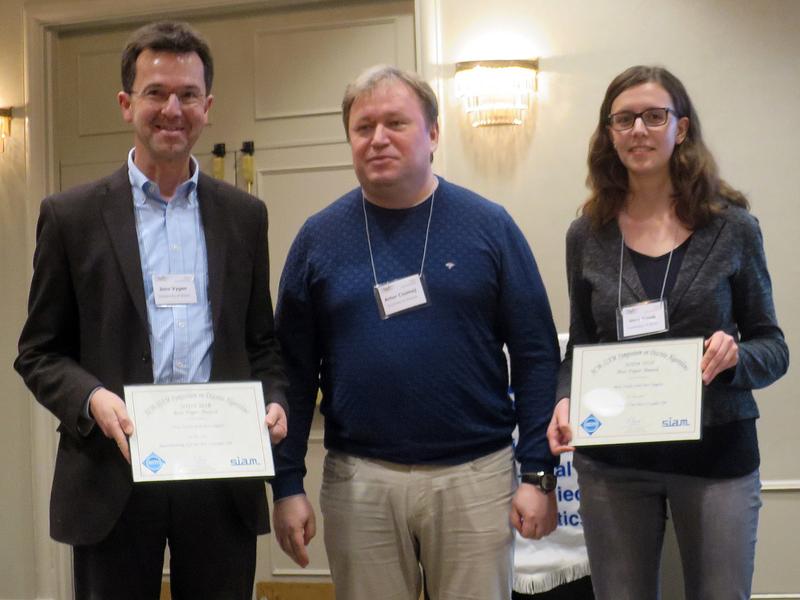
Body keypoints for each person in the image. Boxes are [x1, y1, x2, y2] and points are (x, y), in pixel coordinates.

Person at [14, 21, 288, 600]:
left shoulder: (245, 217)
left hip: (220, 477)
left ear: (207, 106)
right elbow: (38, 352)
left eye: (188, 94)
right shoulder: (71, 216)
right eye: (156, 92)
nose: (172, 108)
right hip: (113, 475)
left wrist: (275, 401)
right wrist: (92, 398)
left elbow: (260, 342)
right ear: (125, 103)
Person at [270, 64, 560, 600]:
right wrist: (286, 483)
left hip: (476, 476)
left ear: (432, 134)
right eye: (363, 127)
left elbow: (536, 353)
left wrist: (538, 473)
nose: (378, 138)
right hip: (361, 480)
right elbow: (288, 369)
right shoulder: (317, 239)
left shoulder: (488, 226)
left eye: (396, 123)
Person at [547, 65, 789, 600]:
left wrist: (735, 359)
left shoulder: (733, 228)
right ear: (608, 134)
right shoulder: (586, 234)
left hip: (717, 457)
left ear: (681, 128)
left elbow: (773, 346)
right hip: (613, 464)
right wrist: (565, 398)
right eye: (624, 118)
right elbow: (582, 347)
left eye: (654, 116)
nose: (639, 129)